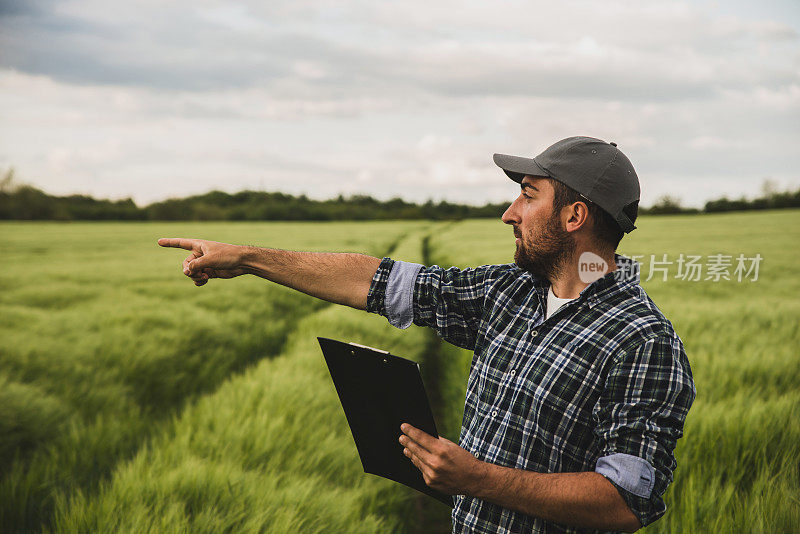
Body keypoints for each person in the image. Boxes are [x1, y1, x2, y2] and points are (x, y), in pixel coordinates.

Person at [158, 136, 695, 533]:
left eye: (529, 196)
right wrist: (249, 258)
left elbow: (626, 502)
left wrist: (477, 479)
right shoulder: (510, 291)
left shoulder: (642, 341)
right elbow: (376, 280)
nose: (509, 213)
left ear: (575, 215)